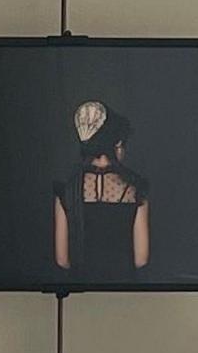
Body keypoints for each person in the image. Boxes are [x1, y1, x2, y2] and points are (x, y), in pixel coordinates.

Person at [49, 99, 152, 276]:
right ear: (117, 144)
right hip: (124, 294)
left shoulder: (67, 189)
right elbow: (141, 259)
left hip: (79, 292)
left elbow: (62, 260)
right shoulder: (136, 189)